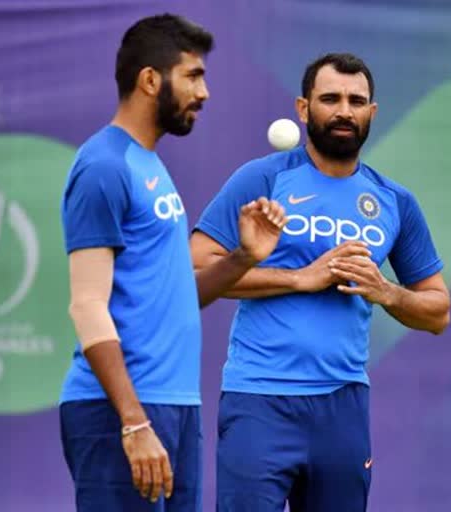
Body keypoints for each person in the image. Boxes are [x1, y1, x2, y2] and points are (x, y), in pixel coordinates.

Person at [191, 52, 451, 511]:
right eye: (330, 98)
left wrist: (385, 290)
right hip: (259, 398)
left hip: (343, 404)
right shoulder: (263, 178)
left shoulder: (395, 202)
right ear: (303, 108)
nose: (344, 111)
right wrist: (300, 278)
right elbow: (194, 274)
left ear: (372, 112)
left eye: (357, 100)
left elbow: (438, 312)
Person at [58, 14, 287, 512]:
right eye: (193, 76)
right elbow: (87, 306)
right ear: (149, 80)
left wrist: (245, 257)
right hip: (119, 412)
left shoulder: (149, 164)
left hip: (176, 408)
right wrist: (133, 421)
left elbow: (177, 294)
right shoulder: (104, 166)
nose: (204, 93)